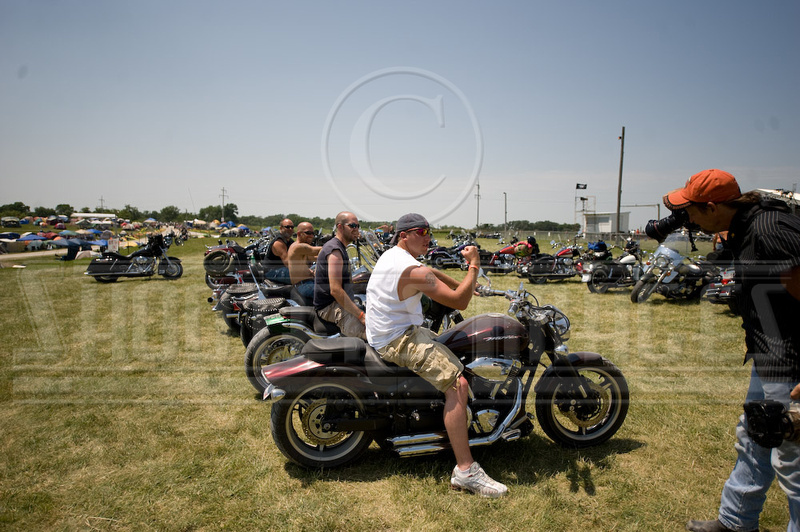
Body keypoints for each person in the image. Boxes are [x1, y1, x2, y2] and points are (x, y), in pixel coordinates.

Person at [659, 169, 800, 532]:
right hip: (770, 357)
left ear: (711, 207)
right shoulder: (745, 226)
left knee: (794, 463)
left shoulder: (770, 230)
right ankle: (736, 522)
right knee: (755, 437)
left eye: (691, 211)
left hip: (793, 367)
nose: (686, 219)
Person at [365, 213, 508, 498]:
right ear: (404, 235)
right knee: (458, 385)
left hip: (390, 332)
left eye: (429, 231)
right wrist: (473, 265)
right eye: (421, 231)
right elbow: (460, 301)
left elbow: (429, 271)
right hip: (399, 339)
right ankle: (465, 470)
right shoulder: (409, 269)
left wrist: (461, 281)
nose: (428, 236)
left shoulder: (395, 255)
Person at [313, 212, 366, 340]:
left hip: (336, 303)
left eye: (358, 226)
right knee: (372, 335)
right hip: (330, 307)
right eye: (352, 225)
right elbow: (335, 290)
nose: (356, 229)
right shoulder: (335, 251)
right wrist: (361, 316)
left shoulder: (339, 247)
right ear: (340, 227)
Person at [287, 222, 321, 303]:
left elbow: (315, 258)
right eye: (308, 233)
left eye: (313, 233)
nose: (312, 236)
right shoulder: (298, 247)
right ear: (299, 234)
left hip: (306, 283)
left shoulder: (301, 250)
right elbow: (319, 250)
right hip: (304, 285)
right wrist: (336, 244)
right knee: (334, 294)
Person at [264, 218, 295, 284]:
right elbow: (287, 263)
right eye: (287, 227)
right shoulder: (278, 242)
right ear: (281, 228)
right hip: (272, 271)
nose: (290, 229)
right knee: (300, 276)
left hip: (283, 269)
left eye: (292, 227)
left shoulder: (290, 241)